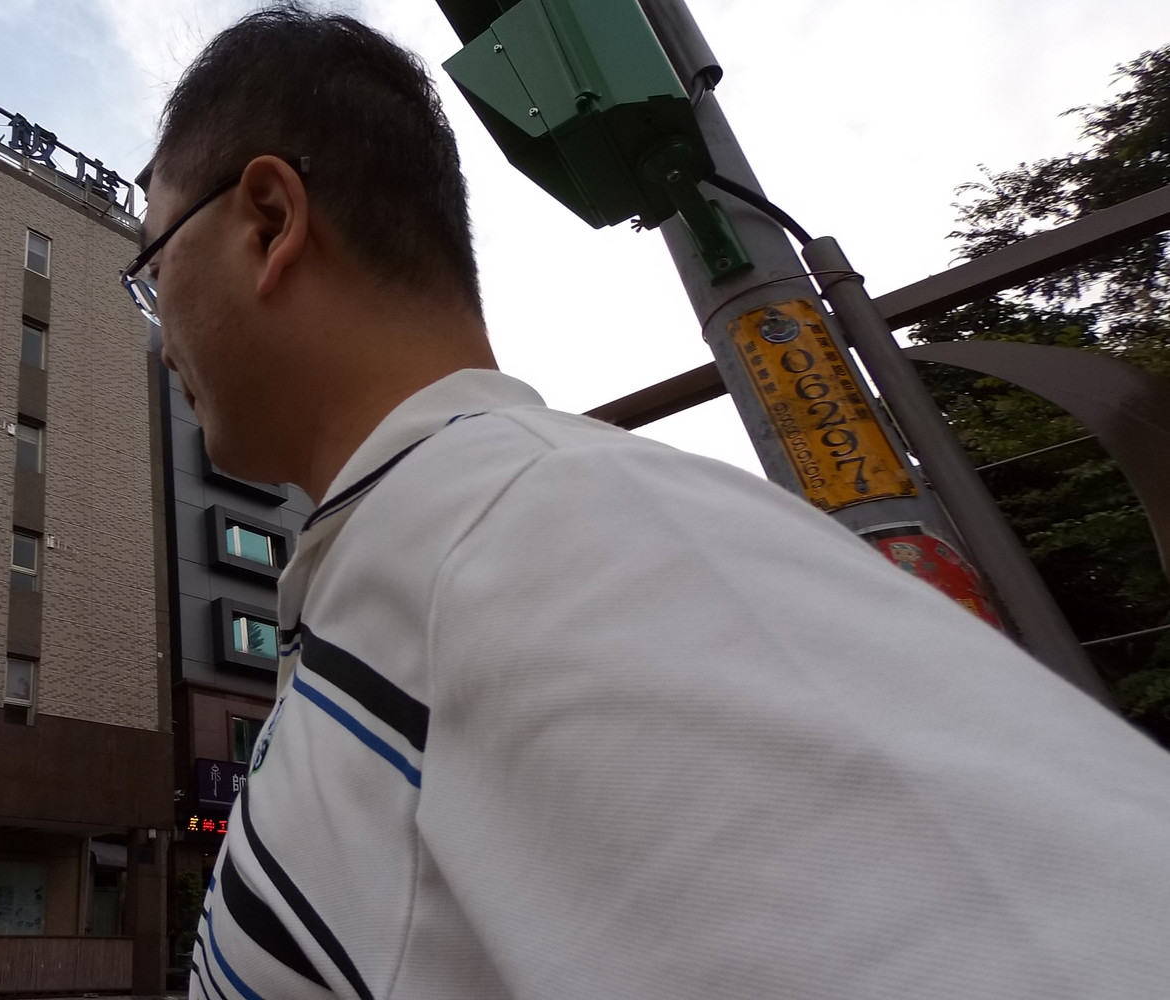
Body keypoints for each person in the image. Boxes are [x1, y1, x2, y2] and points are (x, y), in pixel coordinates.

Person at [125, 8, 1170, 1000]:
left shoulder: (542, 536)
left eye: (154, 265)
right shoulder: (438, 562)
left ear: (269, 221)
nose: (159, 329)